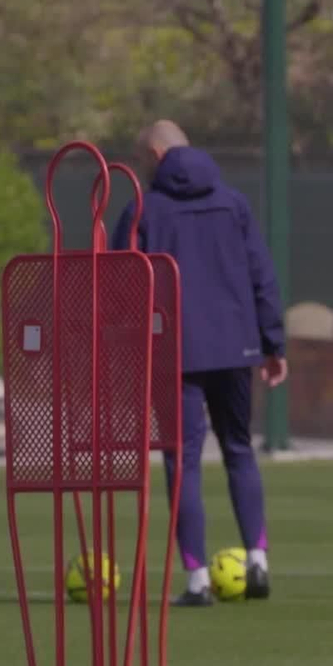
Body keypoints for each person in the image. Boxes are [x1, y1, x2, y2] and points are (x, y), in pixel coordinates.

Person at [112, 120, 287, 607]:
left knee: (182, 461)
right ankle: (257, 559)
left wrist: (126, 354)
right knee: (239, 449)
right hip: (236, 348)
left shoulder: (143, 209)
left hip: (174, 353)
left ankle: (196, 579)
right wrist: (274, 344)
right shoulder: (233, 203)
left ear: (153, 152)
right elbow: (261, 274)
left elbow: (119, 284)